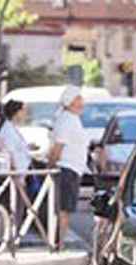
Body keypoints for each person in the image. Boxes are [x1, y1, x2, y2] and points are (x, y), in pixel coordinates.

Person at [47, 86, 88, 251]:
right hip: (67, 169)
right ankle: (59, 244)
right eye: (78, 99)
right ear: (70, 102)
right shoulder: (67, 119)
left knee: (66, 209)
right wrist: (51, 165)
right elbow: (58, 147)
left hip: (73, 169)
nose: (81, 103)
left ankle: (59, 242)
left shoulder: (72, 118)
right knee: (63, 209)